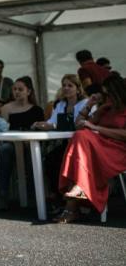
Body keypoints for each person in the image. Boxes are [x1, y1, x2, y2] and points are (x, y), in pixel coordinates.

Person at [55, 72, 126, 223]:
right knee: (80, 135)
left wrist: (95, 127)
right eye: (105, 95)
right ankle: (78, 191)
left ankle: (72, 206)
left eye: (109, 94)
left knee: (82, 137)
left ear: (117, 93)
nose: (107, 98)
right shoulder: (106, 108)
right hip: (98, 147)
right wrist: (89, 104)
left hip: (118, 150)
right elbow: (79, 124)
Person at [31, 74, 87, 206]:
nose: (66, 88)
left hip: (80, 145)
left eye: (70, 85)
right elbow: (52, 122)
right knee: (50, 159)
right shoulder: (60, 104)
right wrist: (41, 124)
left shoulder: (86, 104)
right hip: (64, 143)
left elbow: (82, 123)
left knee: (59, 159)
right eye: (64, 85)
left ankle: (67, 198)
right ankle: (58, 195)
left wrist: (53, 125)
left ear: (78, 89)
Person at [0, 76, 45, 209]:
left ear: (28, 91)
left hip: (30, 144)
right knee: (5, 149)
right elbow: (1, 129)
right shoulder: (6, 109)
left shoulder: (37, 110)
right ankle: (3, 192)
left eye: (20, 89)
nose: (16, 92)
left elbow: (41, 131)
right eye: (15, 89)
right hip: (11, 144)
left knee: (32, 153)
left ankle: (33, 195)